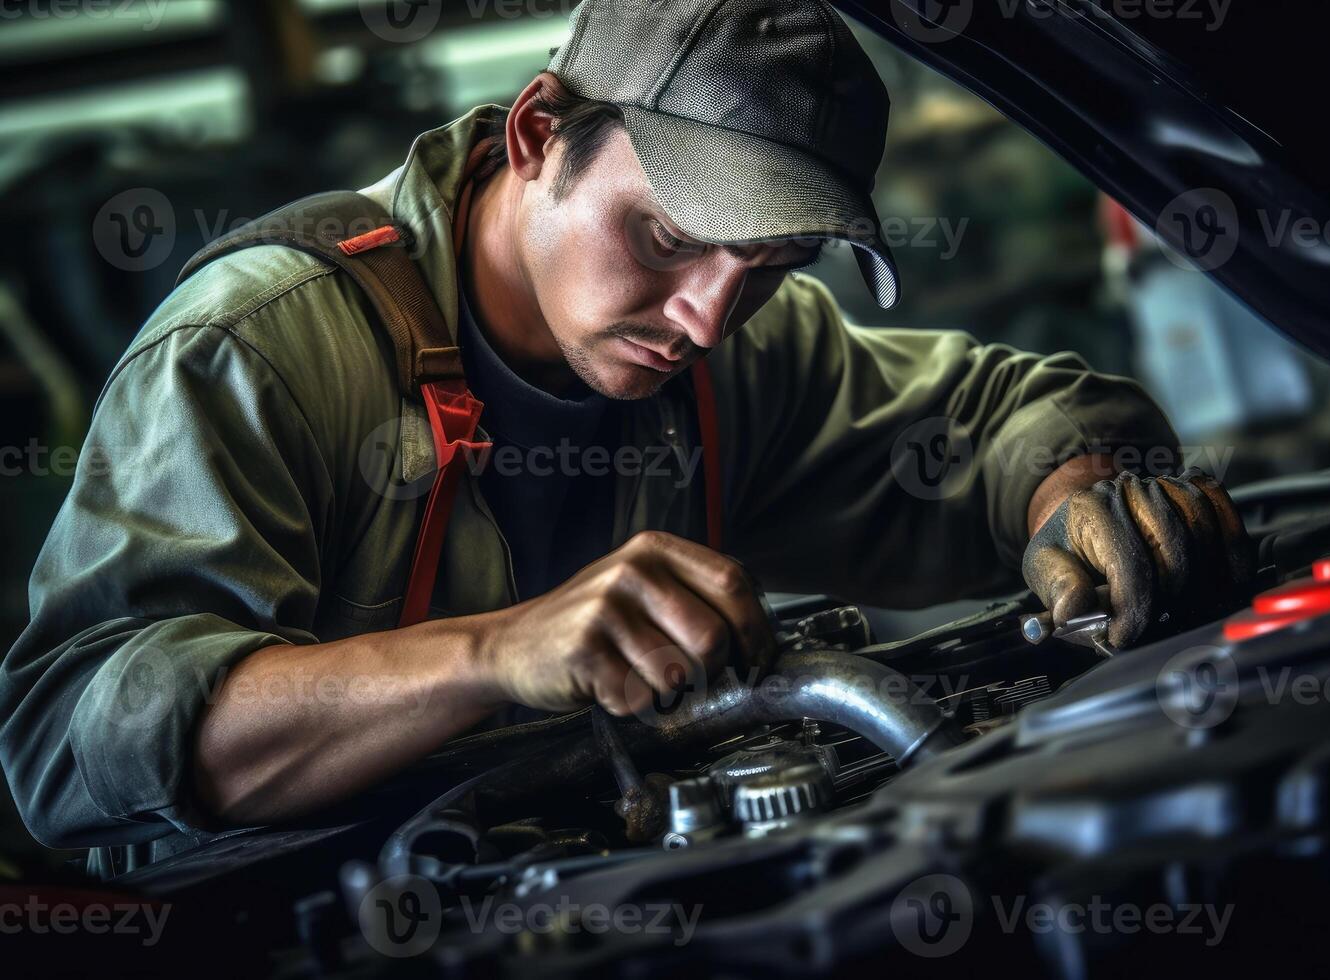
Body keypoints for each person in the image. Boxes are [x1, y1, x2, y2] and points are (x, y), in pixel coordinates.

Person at [0, 0, 1248, 876]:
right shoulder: (257, 346)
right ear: (540, 133)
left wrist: (1081, 501)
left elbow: (1006, 421)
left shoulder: (735, 347)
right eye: (665, 235)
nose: (708, 314)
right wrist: (496, 651)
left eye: (765, 266)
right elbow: (69, 742)